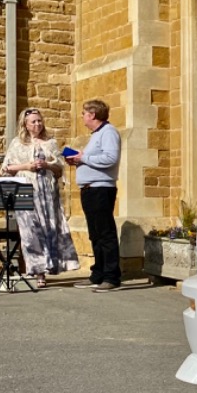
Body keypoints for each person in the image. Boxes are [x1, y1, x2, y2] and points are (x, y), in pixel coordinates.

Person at [0, 108, 80, 287]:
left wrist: (48, 165)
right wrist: (28, 165)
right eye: (33, 122)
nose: (37, 124)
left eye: (39, 121)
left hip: (46, 192)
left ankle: (47, 270)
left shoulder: (50, 143)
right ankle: (37, 271)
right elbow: (6, 168)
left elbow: (60, 168)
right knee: (30, 232)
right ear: (25, 125)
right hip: (26, 190)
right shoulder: (17, 143)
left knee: (48, 228)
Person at [66, 99, 122, 292]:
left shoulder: (109, 132)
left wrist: (83, 157)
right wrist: (78, 160)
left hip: (101, 189)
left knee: (105, 234)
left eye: (83, 113)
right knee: (95, 234)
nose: (82, 116)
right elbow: (95, 159)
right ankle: (97, 274)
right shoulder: (97, 134)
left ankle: (111, 277)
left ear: (92, 115)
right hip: (90, 189)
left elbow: (110, 158)